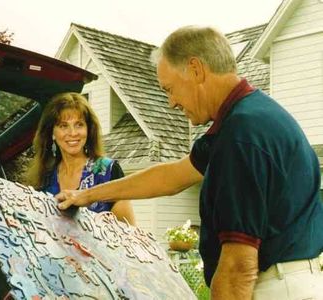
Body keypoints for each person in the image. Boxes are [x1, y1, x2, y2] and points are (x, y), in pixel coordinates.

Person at [55, 26, 323, 299]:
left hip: (274, 288)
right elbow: (171, 177)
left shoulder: (240, 134)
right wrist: (86, 195)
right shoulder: (252, 117)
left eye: (170, 89)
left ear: (196, 69)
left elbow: (238, 267)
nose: (171, 103)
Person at [25, 92, 135, 225]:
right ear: (52, 133)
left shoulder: (108, 171)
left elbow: (129, 233)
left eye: (79, 124)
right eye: (63, 126)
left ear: (89, 130)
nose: (73, 133)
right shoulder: (44, 177)